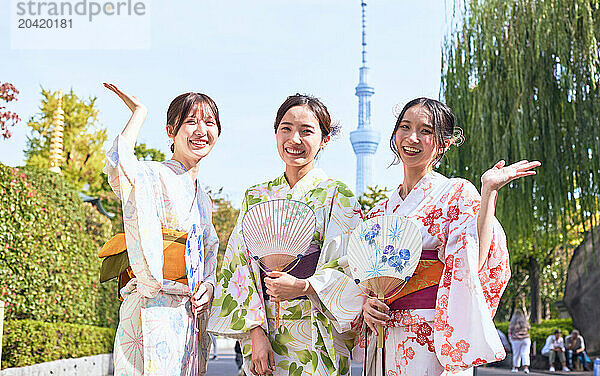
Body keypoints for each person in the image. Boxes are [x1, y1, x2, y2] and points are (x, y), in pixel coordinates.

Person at [359, 98, 540, 375]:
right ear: (395, 135)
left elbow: (473, 263)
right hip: (385, 333)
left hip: (433, 332)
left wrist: (488, 192)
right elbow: (365, 279)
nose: (412, 137)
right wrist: (367, 304)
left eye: (426, 131)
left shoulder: (455, 194)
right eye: (405, 127)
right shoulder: (379, 211)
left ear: (444, 143)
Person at [208, 94, 363, 376]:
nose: (294, 139)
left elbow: (351, 264)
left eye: (307, 131)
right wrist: (255, 334)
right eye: (286, 129)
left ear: (324, 139)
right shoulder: (256, 196)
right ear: (276, 133)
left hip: (318, 328)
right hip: (265, 326)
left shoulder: (338, 194)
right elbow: (239, 266)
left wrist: (304, 286)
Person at [101, 83, 220, 376]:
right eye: (190, 122)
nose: (201, 130)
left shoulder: (203, 196)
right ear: (171, 131)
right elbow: (119, 167)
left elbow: (210, 254)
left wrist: (208, 285)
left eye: (209, 122)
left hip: (187, 312)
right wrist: (139, 113)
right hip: (151, 305)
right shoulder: (153, 174)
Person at [508, 309, 531, 373]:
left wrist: (510, 339)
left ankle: (515, 368)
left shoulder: (513, 322)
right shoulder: (525, 321)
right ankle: (526, 368)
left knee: (516, 354)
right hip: (526, 338)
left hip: (516, 339)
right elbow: (529, 327)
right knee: (525, 353)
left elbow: (509, 331)